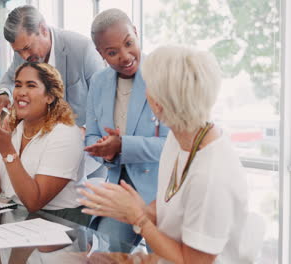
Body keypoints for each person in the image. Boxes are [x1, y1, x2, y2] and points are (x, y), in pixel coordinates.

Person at [79, 45, 263, 263]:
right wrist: (138, 209)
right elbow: (171, 210)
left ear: (158, 104)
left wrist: (139, 218)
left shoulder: (210, 175)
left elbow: (192, 262)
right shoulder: (179, 138)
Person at [84, 9, 168, 246]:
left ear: (136, 32)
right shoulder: (99, 83)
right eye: (112, 52)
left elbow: (173, 145)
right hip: (119, 190)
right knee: (106, 257)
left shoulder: (162, 75)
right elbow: (91, 135)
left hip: (160, 194)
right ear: (101, 53)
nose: (125, 56)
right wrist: (105, 150)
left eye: (129, 43)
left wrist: (123, 146)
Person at [0, 62, 89, 225]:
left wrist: (7, 150)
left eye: (31, 85)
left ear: (50, 96)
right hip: (19, 218)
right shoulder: (14, 130)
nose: (21, 92)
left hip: (61, 224)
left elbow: (34, 202)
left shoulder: (66, 134)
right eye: (18, 85)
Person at [0, 5, 105, 127]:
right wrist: (3, 94)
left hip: (82, 137)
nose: (24, 57)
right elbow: (9, 79)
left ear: (43, 29)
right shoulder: (22, 53)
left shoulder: (83, 49)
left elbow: (104, 100)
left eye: (27, 48)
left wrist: (86, 130)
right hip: (43, 136)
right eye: (18, 52)